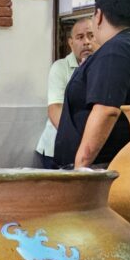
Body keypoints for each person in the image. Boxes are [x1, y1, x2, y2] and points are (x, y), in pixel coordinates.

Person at [54, 0, 130, 169]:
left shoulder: (115, 51)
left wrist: (80, 168)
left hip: (100, 169)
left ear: (99, 15)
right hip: (115, 164)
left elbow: (107, 111)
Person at [35, 18, 95, 168]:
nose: (86, 42)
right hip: (57, 148)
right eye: (80, 37)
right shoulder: (60, 68)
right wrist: (76, 140)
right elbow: (55, 108)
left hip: (87, 146)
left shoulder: (103, 67)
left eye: (91, 36)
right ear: (71, 43)